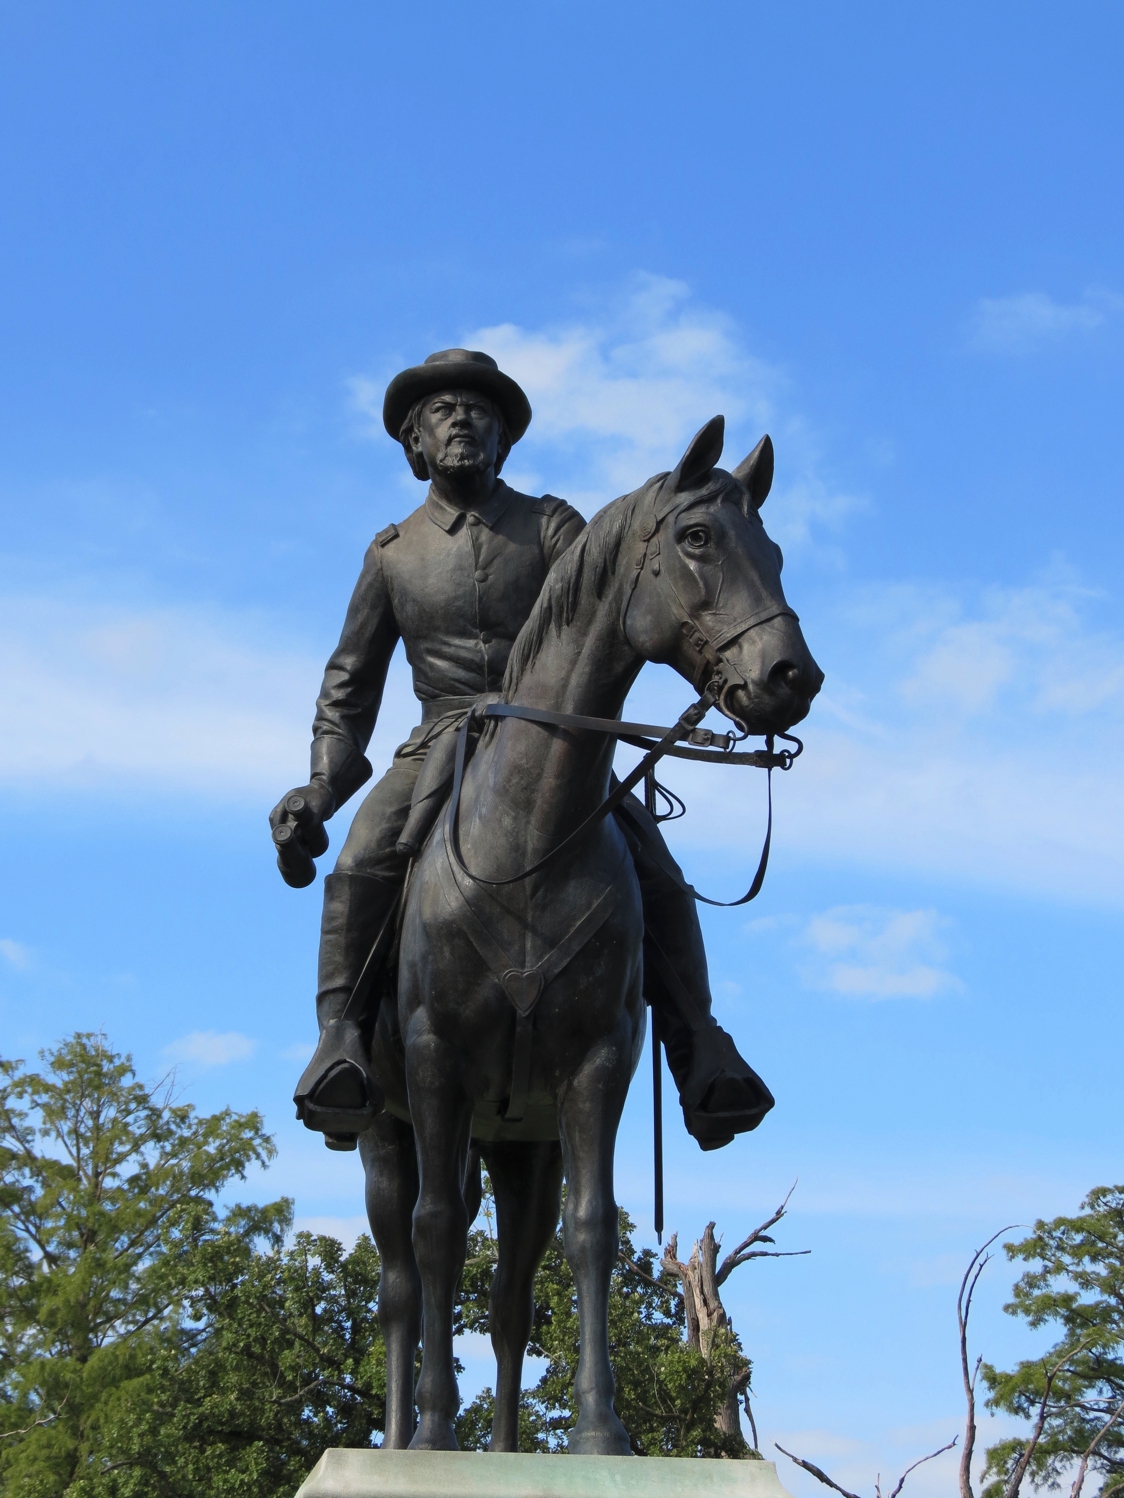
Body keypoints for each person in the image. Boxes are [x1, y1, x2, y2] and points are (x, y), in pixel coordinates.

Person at [270, 348, 773, 1152]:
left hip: (551, 744)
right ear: (414, 444)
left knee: (655, 865)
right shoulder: (392, 554)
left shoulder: (552, 526)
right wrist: (320, 790)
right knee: (364, 856)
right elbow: (349, 689)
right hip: (441, 736)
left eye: (482, 410)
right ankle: (343, 1041)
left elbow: (609, 621)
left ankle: (700, 1046)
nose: (463, 418)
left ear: (505, 438)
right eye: (442, 411)